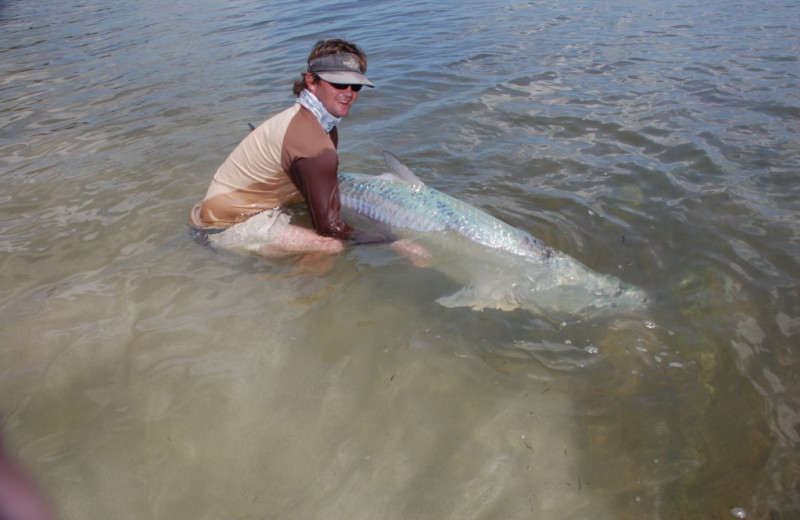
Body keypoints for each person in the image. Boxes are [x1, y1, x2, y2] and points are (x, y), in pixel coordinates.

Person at [190, 38, 429, 264]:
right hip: (224, 225)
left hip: (238, 207)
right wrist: (393, 242)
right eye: (338, 83)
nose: (349, 93)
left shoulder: (315, 123)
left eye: (356, 86)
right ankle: (297, 297)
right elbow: (330, 228)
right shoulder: (311, 141)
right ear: (312, 82)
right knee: (330, 245)